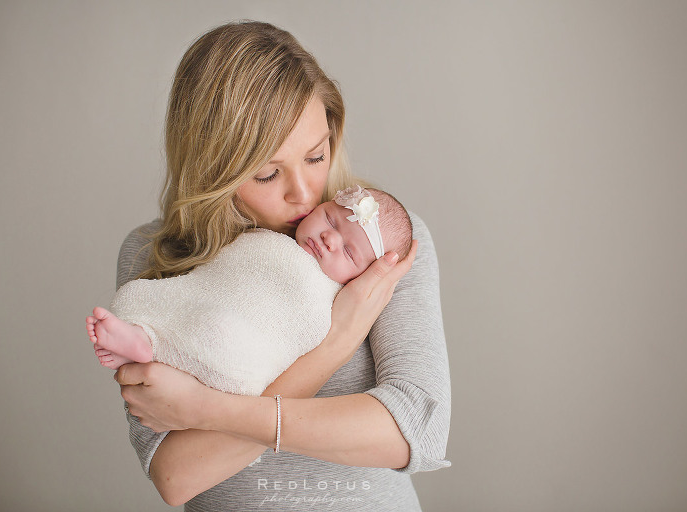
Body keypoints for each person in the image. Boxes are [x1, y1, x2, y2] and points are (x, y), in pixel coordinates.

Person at [113, 21, 450, 511]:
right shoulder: (154, 256)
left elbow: (414, 430)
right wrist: (335, 342)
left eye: (315, 156)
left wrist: (205, 410)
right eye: (267, 173)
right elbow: (176, 475)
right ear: (212, 168)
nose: (304, 193)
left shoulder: (380, 245)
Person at [86, 187, 413, 400]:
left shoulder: (338, 298)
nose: (329, 238)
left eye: (350, 253)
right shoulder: (262, 236)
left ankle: (151, 347)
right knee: (138, 295)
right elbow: (219, 279)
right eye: (329, 218)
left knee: (219, 335)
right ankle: (142, 337)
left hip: (238, 338)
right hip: (205, 299)